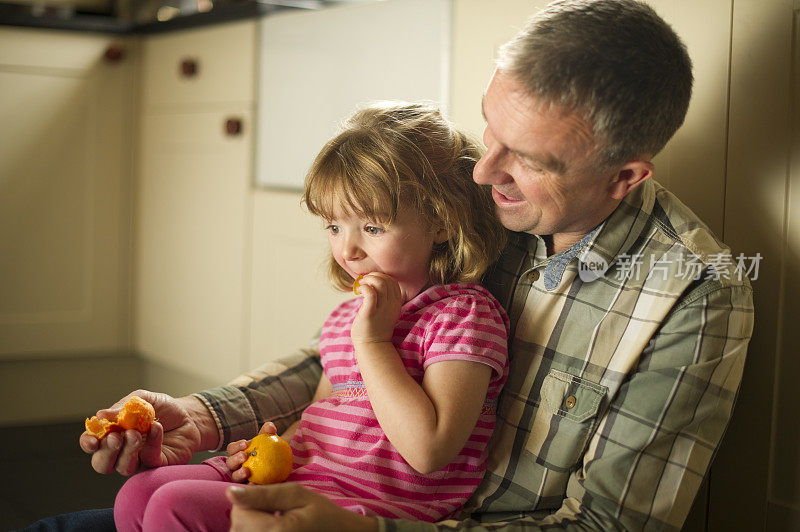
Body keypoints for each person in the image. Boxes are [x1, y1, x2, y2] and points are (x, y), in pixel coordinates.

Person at [76, 1, 753, 531]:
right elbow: (341, 360)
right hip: (317, 482)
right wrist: (203, 416)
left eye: (527, 161)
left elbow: (606, 526)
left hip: (407, 520)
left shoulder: (692, 297)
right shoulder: (472, 196)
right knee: (119, 506)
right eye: (491, 131)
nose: (483, 174)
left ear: (622, 177)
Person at [110, 102, 511, 530]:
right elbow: (324, 415)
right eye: (335, 227)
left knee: (174, 505)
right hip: (307, 475)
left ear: (441, 222)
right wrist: (273, 446)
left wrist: (373, 343)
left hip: (360, 506)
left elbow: (429, 450)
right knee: (139, 491)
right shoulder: (347, 319)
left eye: (372, 228)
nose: (347, 250)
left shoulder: (462, 315)